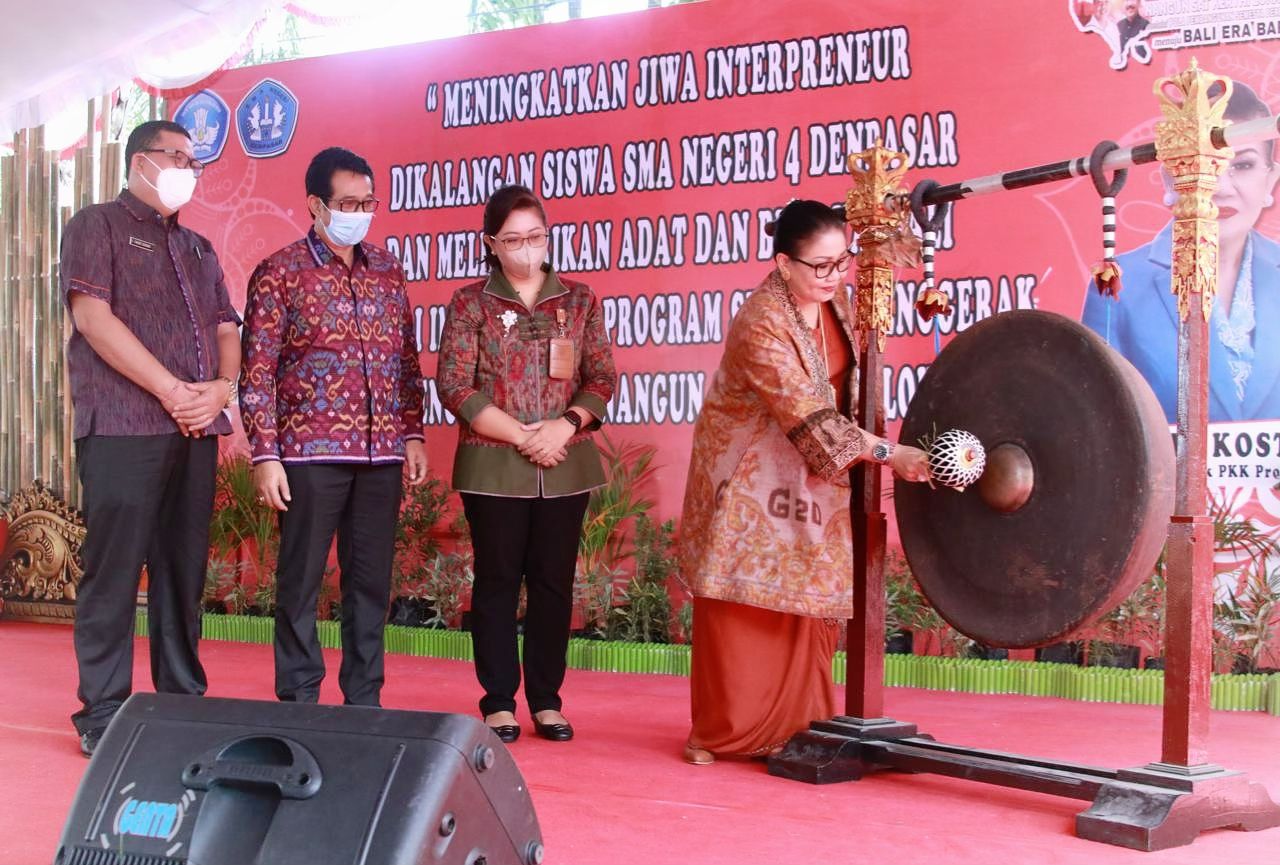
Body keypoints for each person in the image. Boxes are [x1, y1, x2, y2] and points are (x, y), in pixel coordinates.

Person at [679, 200, 931, 765]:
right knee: (745, 603)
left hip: (809, 473)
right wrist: (890, 453)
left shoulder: (833, 299)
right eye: (820, 265)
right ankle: (719, 734)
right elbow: (806, 414)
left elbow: (843, 385)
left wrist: (894, 223)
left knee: (802, 601)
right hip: (748, 471)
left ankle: (796, 726)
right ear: (782, 263)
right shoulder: (761, 322)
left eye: (842, 261)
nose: (835, 274)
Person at [61, 119, 241, 756]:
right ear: (141, 161)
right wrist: (171, 390)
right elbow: (92, 317)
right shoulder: (97, 225)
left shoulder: (198, 247)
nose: (189, 171)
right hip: (122, 425)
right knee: (114, 570)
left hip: (197, 427)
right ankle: (104, 710)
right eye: (178, 158)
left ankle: (180, 700)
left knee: (182, 570)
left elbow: (226, 327)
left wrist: (221, 389)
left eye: (195, 162)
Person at [240, 146, 427, 707]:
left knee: (369, 583)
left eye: (368, 202)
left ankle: (364, 700)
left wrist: (412, 431)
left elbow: (407, 361)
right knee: (300, 582)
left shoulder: (388, 271)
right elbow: (257, 372)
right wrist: (265, 454)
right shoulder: (280, 272)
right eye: (348, 203)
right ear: (315, 204)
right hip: (307, 456)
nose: (360, 213)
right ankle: (299, 699)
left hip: (380, 455)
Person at [437, 184, 616, 743]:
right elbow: (454, 384)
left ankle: (546, 700)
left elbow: (602, 378)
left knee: (553, 583)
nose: (526, 249)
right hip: (494, 467)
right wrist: (522, 436)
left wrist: (566, 426)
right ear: (491, 244)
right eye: (512, 240)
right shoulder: (471, 303)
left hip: (566, 463)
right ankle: (498, 701)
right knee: (496, 580)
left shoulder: (579, 300)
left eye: (535, 237)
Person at [1082, 81, 1280, 422]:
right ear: (1169, 180)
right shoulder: (1122, 286)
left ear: (1271, 180)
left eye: (1243, 165)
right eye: (1204, 165)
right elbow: (1096, 419)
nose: (1220, 187)